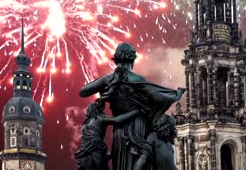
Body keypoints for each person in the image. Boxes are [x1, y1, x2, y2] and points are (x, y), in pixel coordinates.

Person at [79, 42, 185, 170]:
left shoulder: (108, 79)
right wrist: (175, 95)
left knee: (120, 164)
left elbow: (83, 91)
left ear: (116, 59)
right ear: (132, 60)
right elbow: (158, 97)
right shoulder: (138, 79)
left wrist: (107, 84)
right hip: (139, 128)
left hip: (119, 129)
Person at [75, 99, 141, 170]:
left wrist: (109, 155)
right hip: (96, 150)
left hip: (83, 154)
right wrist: (135, 112)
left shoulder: (84, 126)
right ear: (97, 111)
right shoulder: (100, 118)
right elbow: (118, 120)